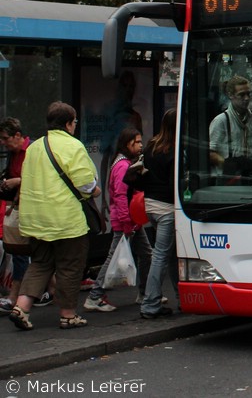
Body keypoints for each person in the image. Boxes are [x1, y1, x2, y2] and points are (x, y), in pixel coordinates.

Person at [8, 102, 99, 331]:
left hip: (36, 219)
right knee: (69, 266)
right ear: (69, 123)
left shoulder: (36, 147)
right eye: (74, 122)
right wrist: (94, 190)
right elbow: (86, 184)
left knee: (40, 264)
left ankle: (21, 307)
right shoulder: (73, 146)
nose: (75, 126)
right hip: (66, 220)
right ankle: (68, 315)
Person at [84, 127, 154, 313]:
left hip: (131, 221)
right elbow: (121, 196)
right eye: (137, 142)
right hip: (126, 222)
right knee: (113, 257)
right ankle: (95, 296)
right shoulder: (123, 166)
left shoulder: (122, 162)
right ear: (127, 143)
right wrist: (126, 223)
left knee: (146, 254)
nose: (140, 145)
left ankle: (145, 293)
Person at [0, 118, 55, 311]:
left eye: (6, 138)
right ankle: (50, 290)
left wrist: (17, 181)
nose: (3, 142)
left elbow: (41, 177)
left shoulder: (32, 150)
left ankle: (15, 297)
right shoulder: (12, 154)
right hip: (21, 206)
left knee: (23, 251)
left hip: (35, 208)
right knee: (29, 251)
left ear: (17, 135)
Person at [133, 109, 178, 319]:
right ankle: (150, 304)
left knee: (171, 255)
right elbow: (173, 184)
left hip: (150, 204)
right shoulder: (174, 150)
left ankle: (183, 297)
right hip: (168, 208)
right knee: (161, 255)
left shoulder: (152, 145)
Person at [208, 75, 252, 178]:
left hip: (248, 178)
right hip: (226, 180)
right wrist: (228, 164)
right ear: (230, 95)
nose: (246, 98)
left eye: (248, 94)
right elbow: (210, 153)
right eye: (241, 95)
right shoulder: (221, 121)